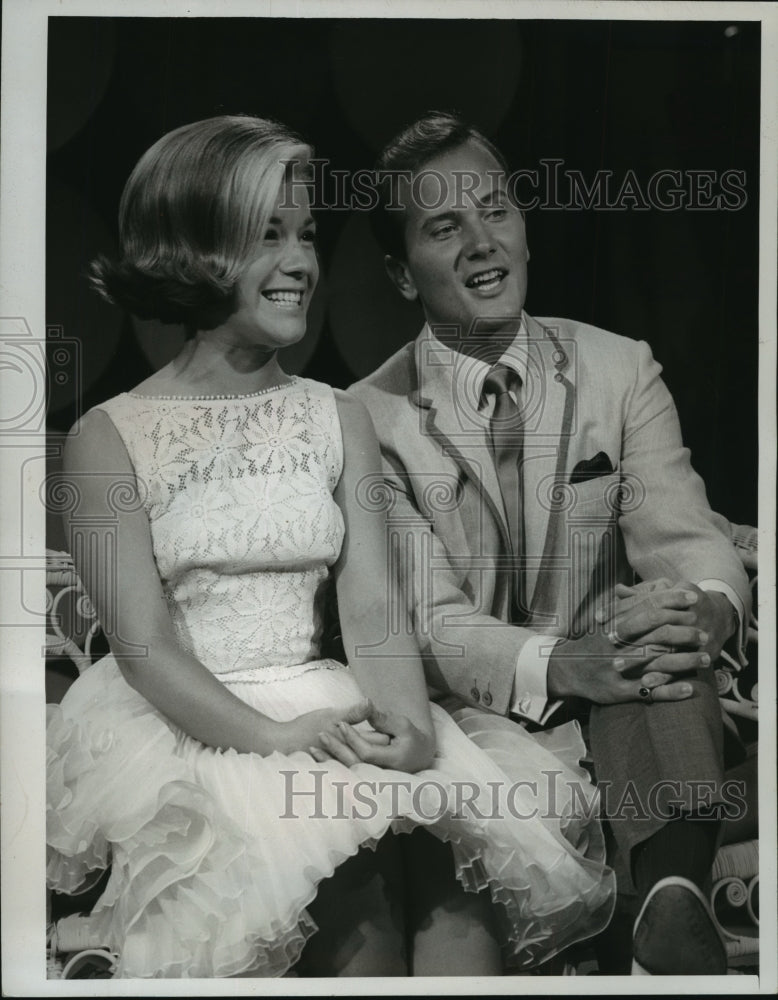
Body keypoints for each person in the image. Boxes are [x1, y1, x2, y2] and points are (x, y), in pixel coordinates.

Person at [46, 114, 616, 979]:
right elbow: (144, 647)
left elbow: (375, 605)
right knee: (360, 911)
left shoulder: (336, 415)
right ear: (194, 250)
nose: (300, 262)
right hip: (195, 726)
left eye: (305, 233)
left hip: (330, 701)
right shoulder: (107, 436)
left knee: (457, 896)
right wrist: (272, 738)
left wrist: (411, 733)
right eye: (267, 236)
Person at [349, 111, 752, 976]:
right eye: (443, 227)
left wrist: (706, 609)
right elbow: (429, 621)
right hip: (473, 711)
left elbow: (685, 535)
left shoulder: (619, 368)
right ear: (400, 273)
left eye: (496, 210)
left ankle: (673, 912)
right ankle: (664, 924)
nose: (482, 243)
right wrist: (565, 663)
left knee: (666, 635)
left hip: (627, 690)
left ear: (525, 228)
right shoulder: (366, 421)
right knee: (636, 655)